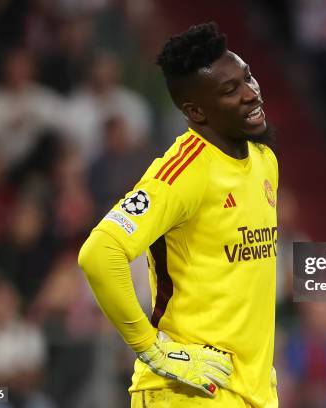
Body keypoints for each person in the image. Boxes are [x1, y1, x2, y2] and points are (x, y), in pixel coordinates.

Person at [78, 22, 279, 407]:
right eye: (230, 90)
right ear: (195, 111)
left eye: (248, 77)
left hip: (249, 391)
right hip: (187, 390)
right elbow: (99, 253)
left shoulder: (264, 160)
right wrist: (152, 349)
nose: (251, 93)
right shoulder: (182, 172)